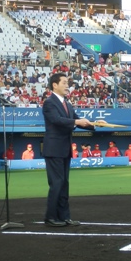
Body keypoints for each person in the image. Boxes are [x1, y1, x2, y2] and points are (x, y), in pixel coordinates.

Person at [42, 72, 99, 227]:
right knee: (57, 183)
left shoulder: (66, 103)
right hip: (53, 149)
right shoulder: (49, 102)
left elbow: (76, 119)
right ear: (55, 84)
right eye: (65, 82)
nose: (68, 86)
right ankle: (51, 217)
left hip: (65, 149)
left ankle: (64, 216)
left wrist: (93, 124)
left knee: (64, 183)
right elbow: (57, 120)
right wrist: (77, 121)